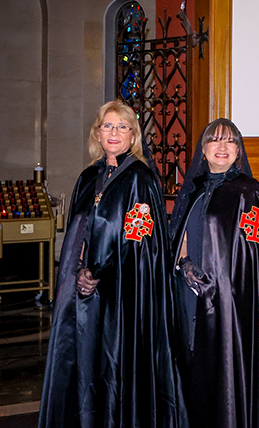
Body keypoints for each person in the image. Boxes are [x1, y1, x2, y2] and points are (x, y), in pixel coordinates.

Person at [39, 100, 186, 427]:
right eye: (108, 126)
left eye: (122, 126)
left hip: (123, 297)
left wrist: (100, 272)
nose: (114, 132)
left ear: (133, 135)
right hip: (85, 295)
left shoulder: (140, 179)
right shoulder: (88, 177)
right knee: (84, 365)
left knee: (115, 369)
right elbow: (77, 233)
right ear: (97, 133)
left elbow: (140, 239)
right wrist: (79, 270)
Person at [169, 118, 259, 428]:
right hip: (189, 298)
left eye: (230, 141)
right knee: (194, 374)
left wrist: (217, 288)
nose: (222, 146)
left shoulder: (247, 192)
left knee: (223, 377)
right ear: (203, 149)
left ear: (238, 150)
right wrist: (186, 270)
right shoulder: (194, 191)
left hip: (230, 307)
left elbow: (250, 257)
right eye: (214, 140)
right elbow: (179, 242)